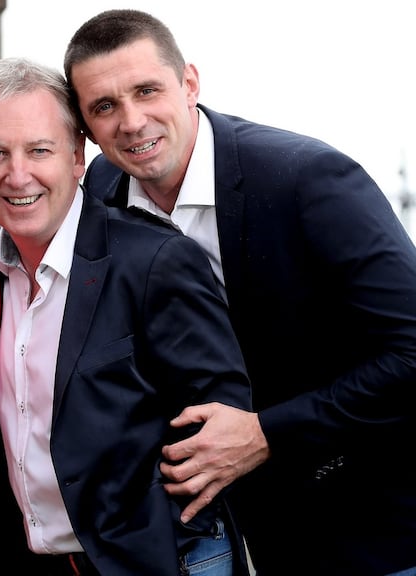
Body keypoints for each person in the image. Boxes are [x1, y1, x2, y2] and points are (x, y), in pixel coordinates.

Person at [66, 9, 416, 576]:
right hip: (244, 532)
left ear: (190, 83)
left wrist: (265, 432)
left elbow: (411, 351)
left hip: (377, 526)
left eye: (147, 91)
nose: (131, 121)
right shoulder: (101, 193)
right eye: (103, 106)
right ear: (84, 126)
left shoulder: (306, 178)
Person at [0, 57, 252, 576]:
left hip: (162, 561)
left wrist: (160, 539)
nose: (18, 175)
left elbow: (223, 424)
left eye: (39, 150)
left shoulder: (155, 260)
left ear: (78, 155)